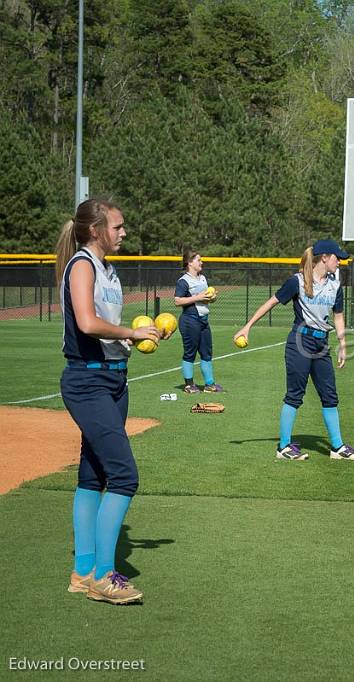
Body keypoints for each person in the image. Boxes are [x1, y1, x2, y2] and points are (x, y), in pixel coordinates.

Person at [56, 199, 164, 604]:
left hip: (114, 381)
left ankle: (83, 572)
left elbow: (105, 329)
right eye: (117, 227)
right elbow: (86, 322)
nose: (123, 233)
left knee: (93, 476)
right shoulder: (83, 265)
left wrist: (141, 333)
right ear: (96, 230)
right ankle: (104, 575)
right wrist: (129, 333)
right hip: (87, 381)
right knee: (124, 476)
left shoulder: (108, 269)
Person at [233, 239, 354, 462]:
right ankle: (283, 447)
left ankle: (337, 447)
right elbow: (271, 302)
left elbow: (338, 316)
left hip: (321, 345)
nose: (340, 262)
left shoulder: (335, 284)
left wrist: (343, 344)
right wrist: (248, 326)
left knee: (330, 396)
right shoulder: (298, 281)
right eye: (337, 258)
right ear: (324, 257)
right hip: (300, 343)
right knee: (295, 395)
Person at [174, 249, 222, 393]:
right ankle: (189, 385)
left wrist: (212, 298)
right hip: (190, 320)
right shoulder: (183, 281)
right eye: (198, 260)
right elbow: (177, 301)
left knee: (207, 353)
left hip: (203, 320)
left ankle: (209, 384)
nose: (202, 262)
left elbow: (205, 299)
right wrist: (198, 297)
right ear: (189, 262)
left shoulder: (202, 278)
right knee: (190, 352)